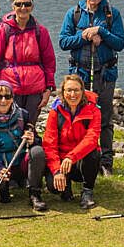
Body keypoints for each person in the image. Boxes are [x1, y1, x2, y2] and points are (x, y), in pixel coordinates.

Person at [58, 0, 124, 175]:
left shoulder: (112, 14)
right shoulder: (74, 14)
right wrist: (84, 35)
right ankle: (81, 159)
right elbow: (63, 42)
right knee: (79, 118)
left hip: (105, 75)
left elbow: (120, 43)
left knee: (104, 119)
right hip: (80, 76)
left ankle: (106, 163)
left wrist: (101, 33)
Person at [0, 0, 56, 125]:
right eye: (19, 4)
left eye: (27, 4)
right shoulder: (2, 30)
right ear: (13, 6)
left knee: (30, 127)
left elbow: (49, 62)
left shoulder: (41, 31)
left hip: (35, 89)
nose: (23, 8)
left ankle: (31, 147)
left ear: (32, 7)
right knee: (10, 126)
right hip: (9, 89)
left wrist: (49, 88)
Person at [0, 80, 47, 211]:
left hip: (21, 163)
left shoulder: (23, 115)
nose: (3, 100)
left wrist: (33, 140)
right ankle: (4, 191)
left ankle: (35, 194)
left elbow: (39, 142)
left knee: (37, 152)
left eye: (8, 96)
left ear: (12, 99)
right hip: (3, 165)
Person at [43, 75, 102, 210]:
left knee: (94, 153)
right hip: (62, 161)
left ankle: (87, 191)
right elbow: (49, 143)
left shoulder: (93, 110)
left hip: (81, 159)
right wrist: (57, 170)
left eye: (76, 90)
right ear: (62, 92)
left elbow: (91, 139)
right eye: (68, 90)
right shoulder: (55, 112)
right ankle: (65, 184)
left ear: (83, 91)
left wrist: (72, 156)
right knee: (54, 187)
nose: (72, 94)